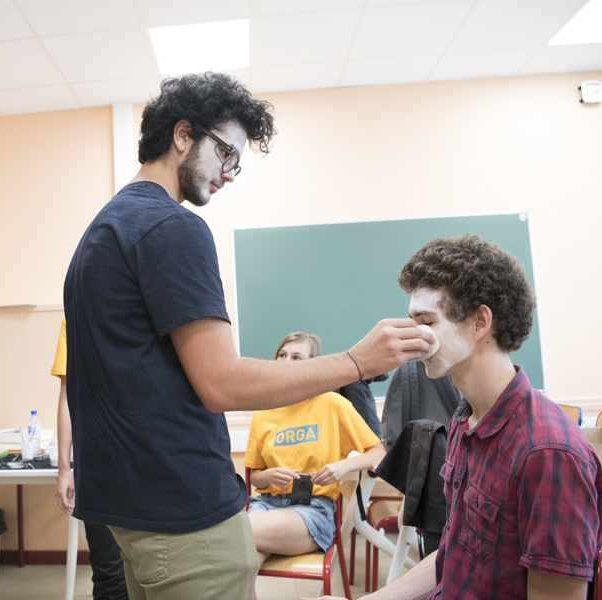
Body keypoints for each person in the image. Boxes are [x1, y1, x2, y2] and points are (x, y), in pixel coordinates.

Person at [62, 71, 433, 600]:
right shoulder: (172, 227)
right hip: (183, 510)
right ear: (183, 134)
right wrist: (357, 362)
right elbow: (222, 383)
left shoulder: (101, 232)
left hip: (127, 508)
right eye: (225, 153)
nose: (230, 174)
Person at [313, 234, 602, 600]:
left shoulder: (547, 453)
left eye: (427, 322)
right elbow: (451, 555)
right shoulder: (464, 421)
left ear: (480, 322)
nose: (415, 339)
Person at [245, 332, 386, 600]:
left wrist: (343, 466)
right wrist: (269, 475)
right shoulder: (263, 411)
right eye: (282, 355)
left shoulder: (333, 404)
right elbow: (256, 479)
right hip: (266, 505)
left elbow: (378, 453)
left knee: (232, 535)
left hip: (311, 510)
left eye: (297, 357)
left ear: (312, 365)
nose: (286, 362)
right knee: (240, 571)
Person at [53, 318, 128, 600]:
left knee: (153, 568)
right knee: (109, 571)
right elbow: (67, 396)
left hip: (144, 460)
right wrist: (64, 468)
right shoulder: (75, 316)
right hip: (98, 465)